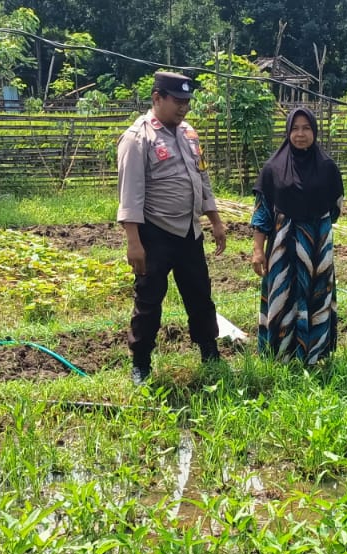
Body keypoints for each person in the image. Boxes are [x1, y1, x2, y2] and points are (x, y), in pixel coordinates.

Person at [117, 71, 228, 385]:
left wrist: (215, 220)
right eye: (177, 101)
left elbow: (202, 178)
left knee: (200, 295)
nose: (184, 108)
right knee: (149, 300)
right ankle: (141, 363)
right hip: (155, 234)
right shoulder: (138, 138)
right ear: (157, 98)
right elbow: (130, 194)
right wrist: (134, 242)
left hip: (190, 232)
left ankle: (209, 352)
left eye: (187, 102)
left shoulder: (189, 133)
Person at [250, 108, 345, 365]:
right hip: (282, 247)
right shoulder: (273, 168)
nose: (300, 134)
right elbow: (262, 213)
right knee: (284, 295)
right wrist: (258, 250)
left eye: (306, 128)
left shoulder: (327, 168)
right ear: (287, 132)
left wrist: (313, 225)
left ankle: (314, 355)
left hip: (317, 247)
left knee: (315, 295)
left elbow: (335, 208)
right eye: (295, 128)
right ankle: (281, 355)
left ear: (315, 131)